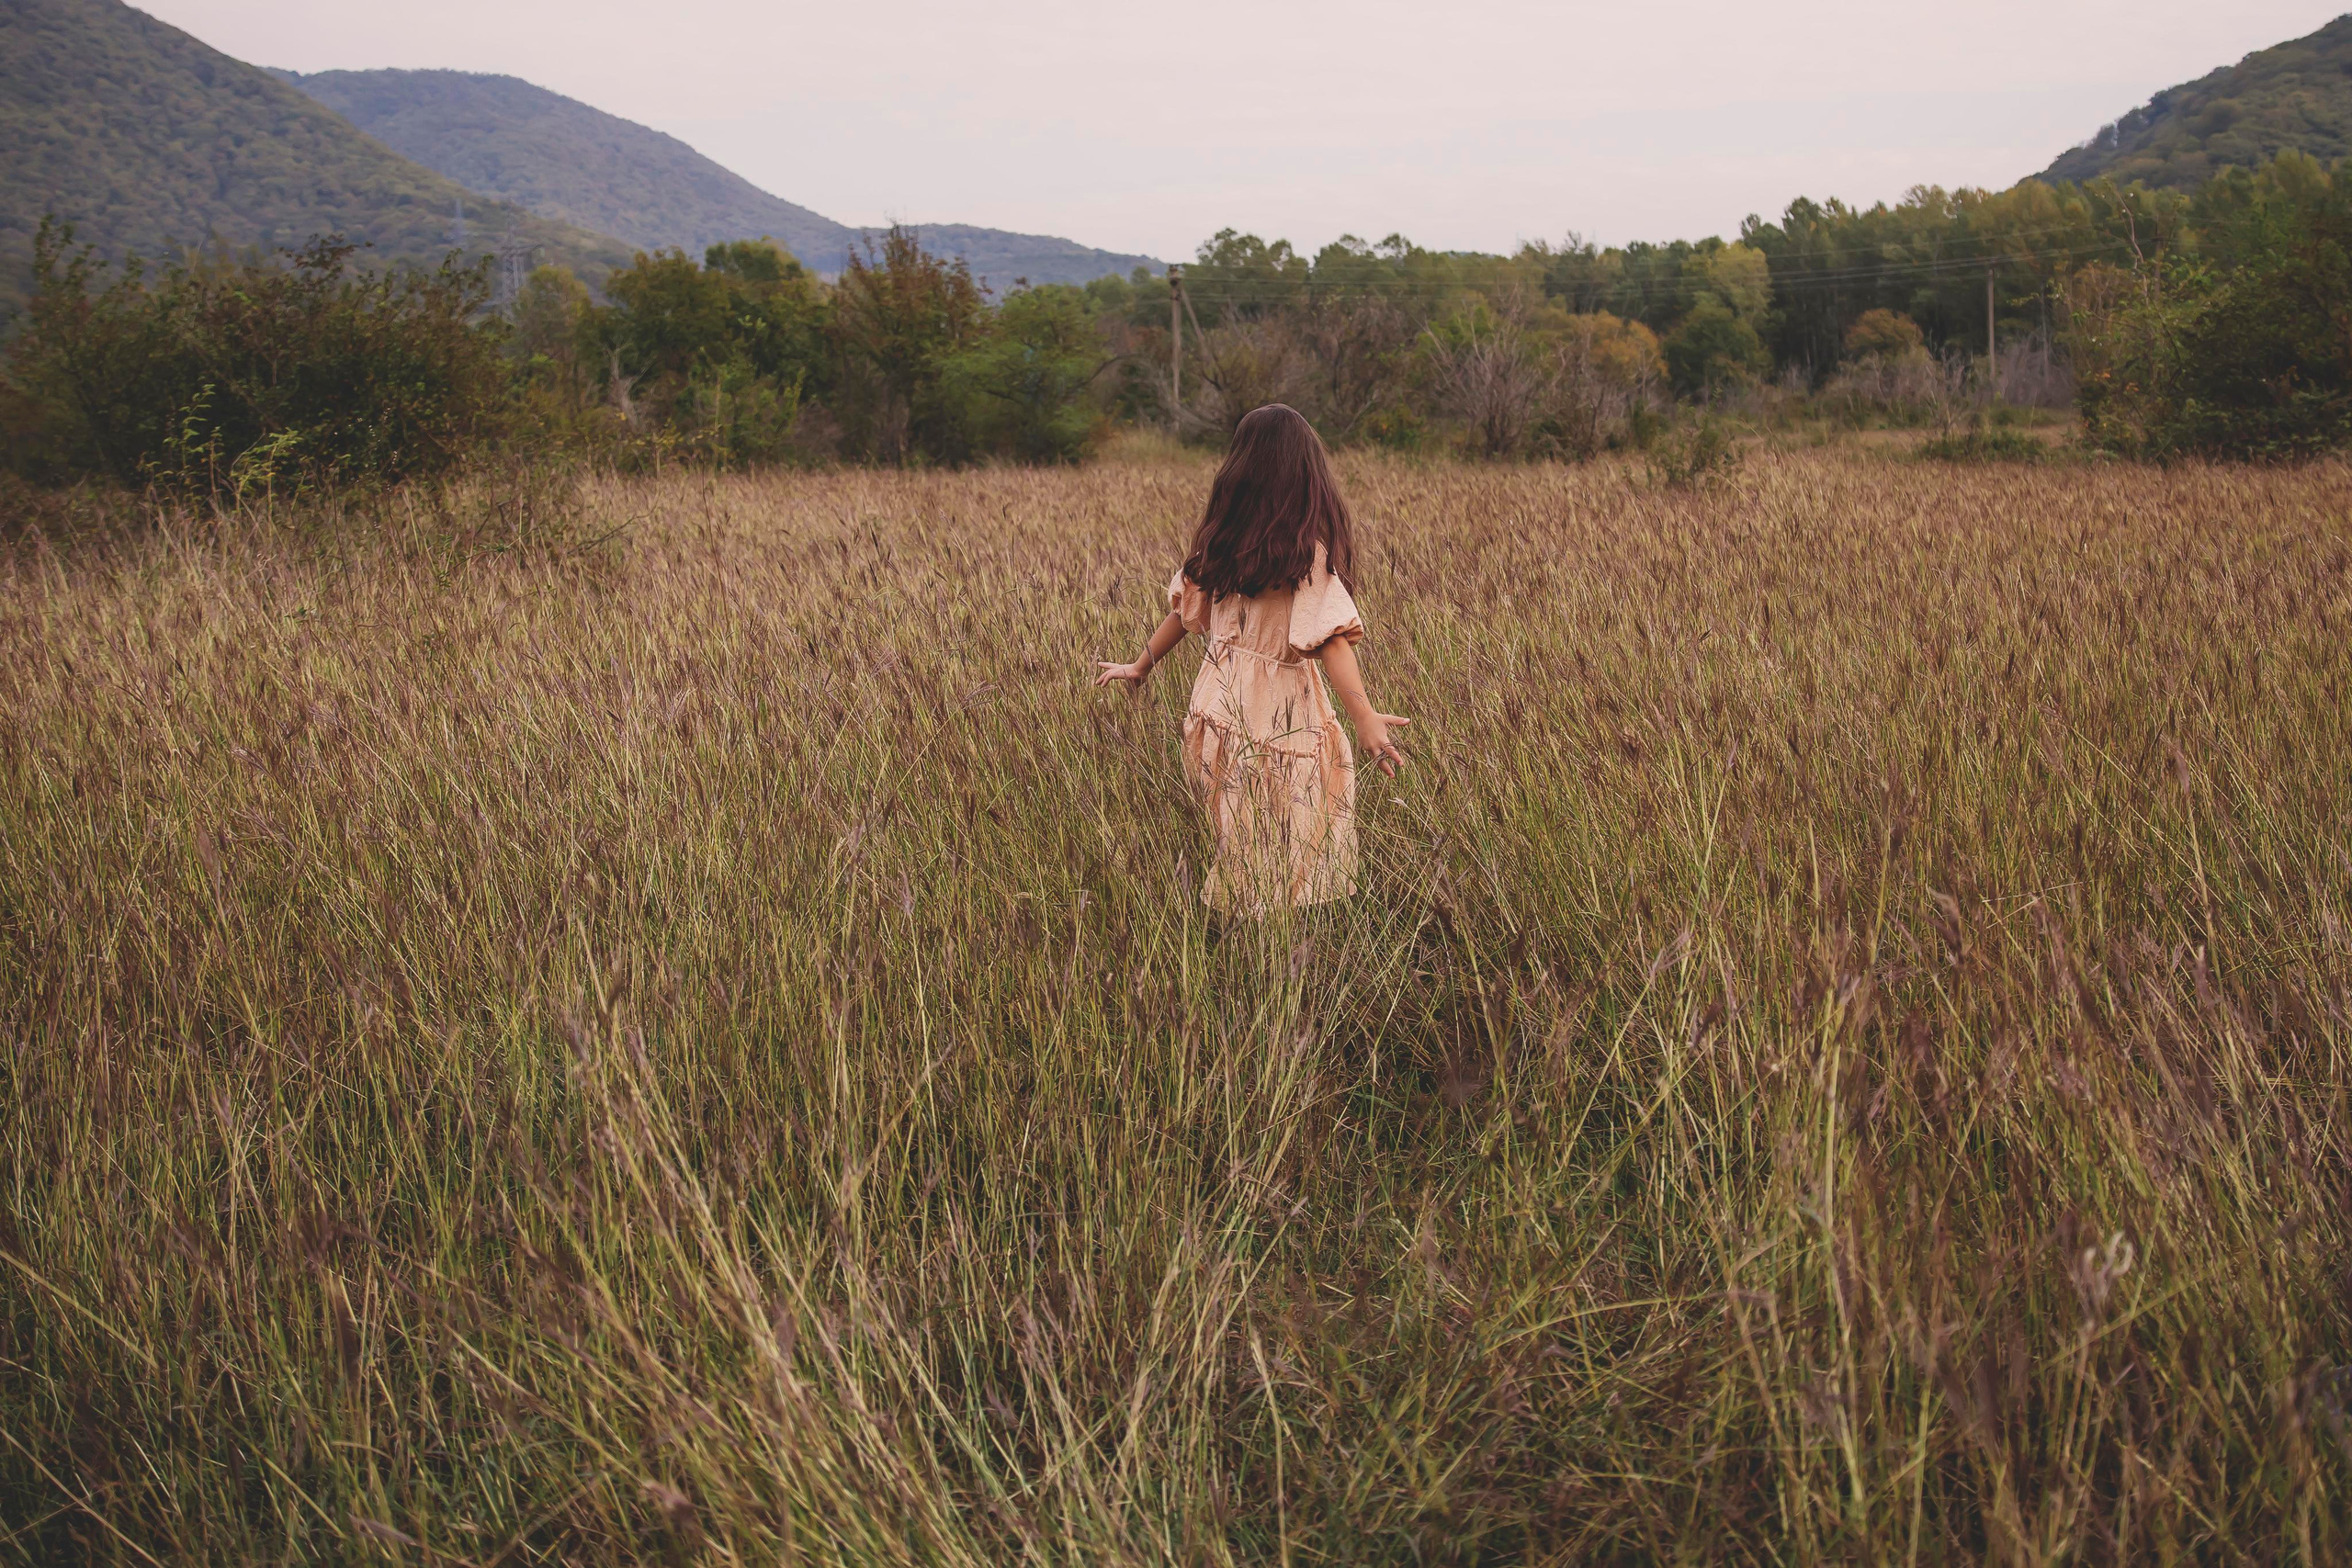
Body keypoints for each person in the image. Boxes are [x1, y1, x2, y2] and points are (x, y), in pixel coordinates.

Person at [1096, 404, 1408, 916]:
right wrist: (1364, 716)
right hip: (1277, 715)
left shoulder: (1221, 543)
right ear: (1306, 477)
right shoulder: (1303, 555)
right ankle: (1269, 929)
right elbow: (1331, 642)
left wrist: (1141, 664)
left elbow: (1183, 613)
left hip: (1216, 708)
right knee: (1289, 827)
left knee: (1242, 828)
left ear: (1238, 472)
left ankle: (1245, 924)